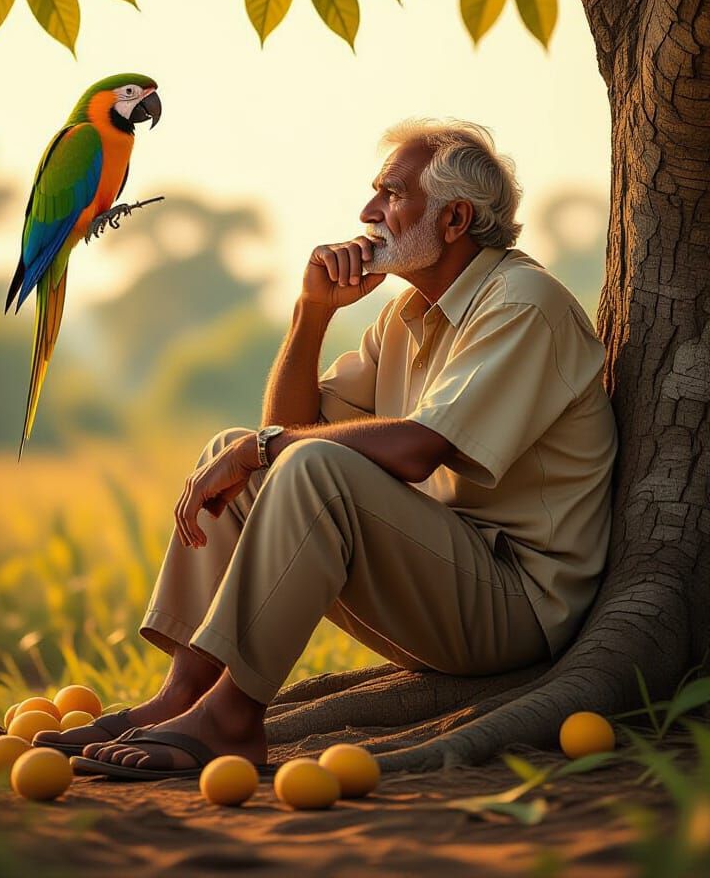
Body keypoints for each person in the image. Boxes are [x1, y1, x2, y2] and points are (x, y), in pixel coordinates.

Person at [37, 117, 617, 778]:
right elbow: (283, 431)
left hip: (521, 609)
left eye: (392, 195)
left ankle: (232, 718)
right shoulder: (405, 319)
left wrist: (267, 446)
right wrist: (312, 312)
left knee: (299, 459)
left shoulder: (522, 303)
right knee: (245, 451)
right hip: (445, 578)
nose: (368, 212)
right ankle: (185, 695)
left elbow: (418, 450)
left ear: (455, 220)